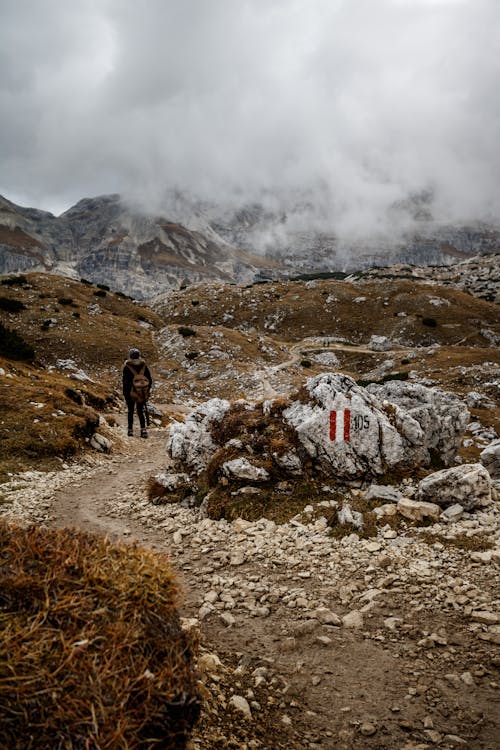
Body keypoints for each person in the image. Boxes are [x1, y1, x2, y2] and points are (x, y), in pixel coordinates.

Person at [122, 348, 153, 438]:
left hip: (130, 393)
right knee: (140, 411)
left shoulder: (127, 367)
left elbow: (125, 382)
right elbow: (149, 380)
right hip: (141, 393)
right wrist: (146, 391)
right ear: (139, 356)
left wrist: (126, 394)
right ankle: (143, 430)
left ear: (130, 356)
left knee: (130, 411)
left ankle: (130, 430)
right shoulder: (144, 366)